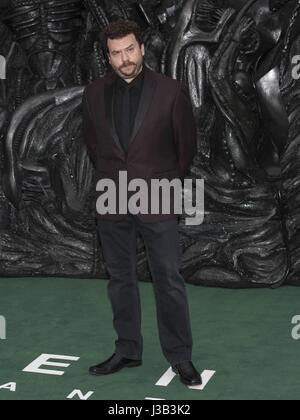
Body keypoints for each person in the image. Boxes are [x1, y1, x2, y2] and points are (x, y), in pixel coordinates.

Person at [82, 18, 201, 386]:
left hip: (158, 195)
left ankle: (180, 356)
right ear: (109, 57)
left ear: (142, 49)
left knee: (168, 277)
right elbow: (93, 146)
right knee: (120, 278)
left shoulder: (171, 91)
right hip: (111, 196)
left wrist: (164, 183)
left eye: (130, 49)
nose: (125, 58)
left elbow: (186, 148)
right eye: (116, 53)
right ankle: (128, 349)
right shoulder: (94, 93)